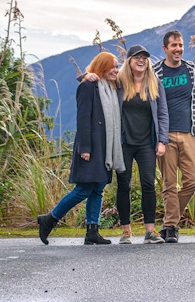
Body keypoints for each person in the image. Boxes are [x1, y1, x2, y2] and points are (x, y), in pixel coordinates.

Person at [38, 52, 125, 245]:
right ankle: (49, 219)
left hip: (106, 146)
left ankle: (92, 230)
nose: (115, 70)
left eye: (117, 66)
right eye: (111, 66)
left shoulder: (113, 87)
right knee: (83, 189)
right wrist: (85, 148)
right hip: (91, 146)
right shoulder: (88, 87)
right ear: (102, 67)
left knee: (98, 189)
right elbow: (83, 118)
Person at [115, 45, 169, 244]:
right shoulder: (119, 82)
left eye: (145, 58)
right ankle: (126, 231)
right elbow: (95, 78)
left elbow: (163, 113)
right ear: (129, 61)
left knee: (148, 185)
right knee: (124, 185)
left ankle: (150, 231)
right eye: (137, 57)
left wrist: (162, 141)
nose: (142, 60)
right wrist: (87, 76)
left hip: (147, 143)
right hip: (124, 143)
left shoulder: (155, 83)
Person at [154, 30, 195, 243]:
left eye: (180, 45)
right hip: (164, 136)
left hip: (189, 132)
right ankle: (172, 227)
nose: (178, 49)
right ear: (165, 49)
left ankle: (168, 221)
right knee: (169, 183)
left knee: (193, 180)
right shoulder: (154, 72)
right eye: (173, 45)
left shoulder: (192, 70)